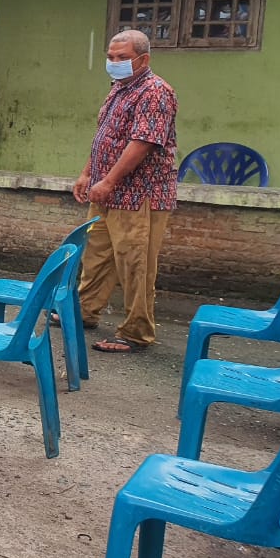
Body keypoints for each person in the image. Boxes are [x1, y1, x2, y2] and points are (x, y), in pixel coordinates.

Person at [72, 29, 178, 353]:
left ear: (143, 59)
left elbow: (142, 143)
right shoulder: (118, 89)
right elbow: (105, 136)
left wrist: (108, 181)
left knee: (136, 264)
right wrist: (87, 173)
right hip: (106, 192)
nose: (114, 63)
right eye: (111, 57)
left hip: (138, 195)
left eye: (122, 58)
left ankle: (136, 332)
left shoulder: (155, 91)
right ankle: (83, 312)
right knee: (96, 255)